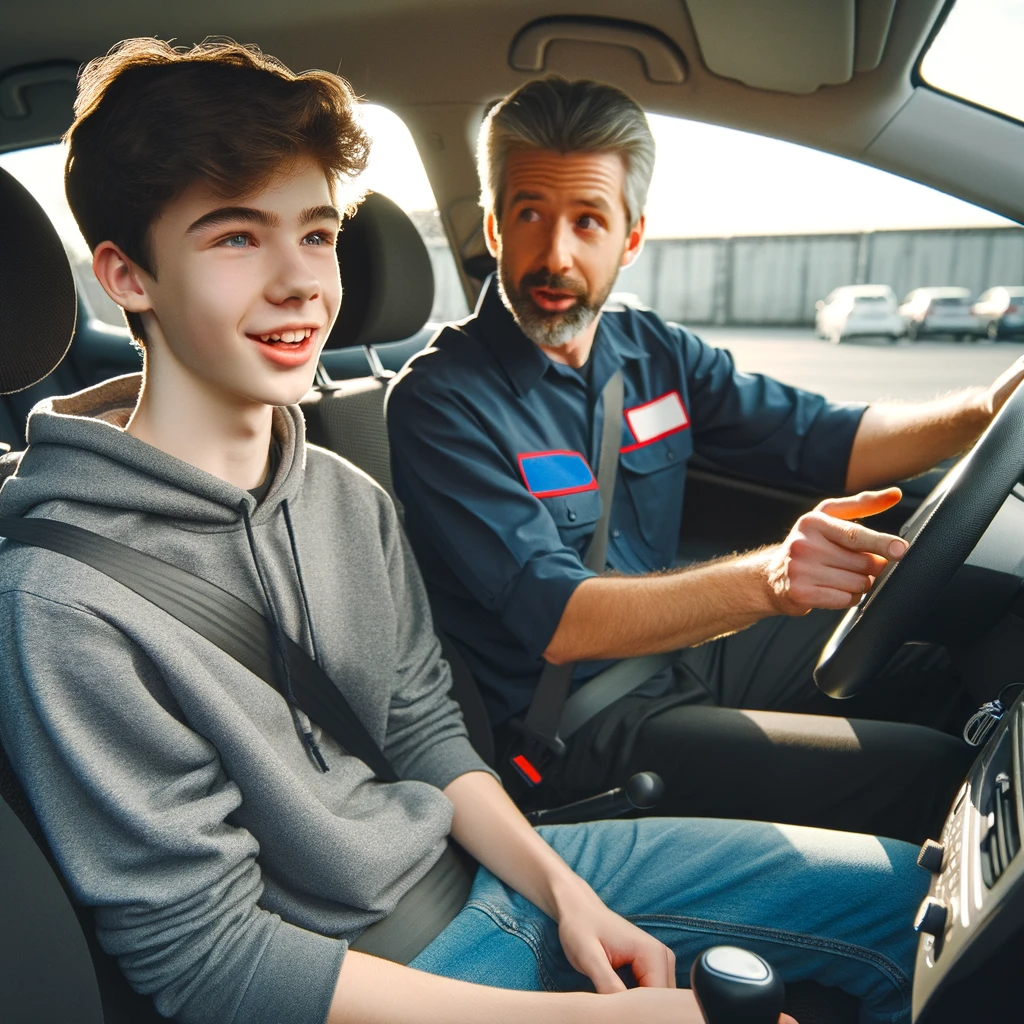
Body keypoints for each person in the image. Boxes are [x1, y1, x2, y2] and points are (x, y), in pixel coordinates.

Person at [0, 38, 934, 1024]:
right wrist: (601, 1018)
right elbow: (211, 962)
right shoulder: (62, 596)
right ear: (127, 275)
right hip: (354, 983)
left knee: (924, 905)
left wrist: (566, 893)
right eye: (236, 238)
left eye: (315, 234)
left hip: (486, 871)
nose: (300, 284)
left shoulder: (338, 491)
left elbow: (422, 729)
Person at [385, 76, 1019, 843]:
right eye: (530, 215)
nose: (555, 254)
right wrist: (770, 578)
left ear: (630, 236)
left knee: (939, 670)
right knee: (926, 774)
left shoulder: (653, 352)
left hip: (683, 657)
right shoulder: (440, 400)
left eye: (588, 221)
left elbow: (834, 439)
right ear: (493, 228)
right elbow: (562, 621)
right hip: (576, 726)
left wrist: (988, 409)